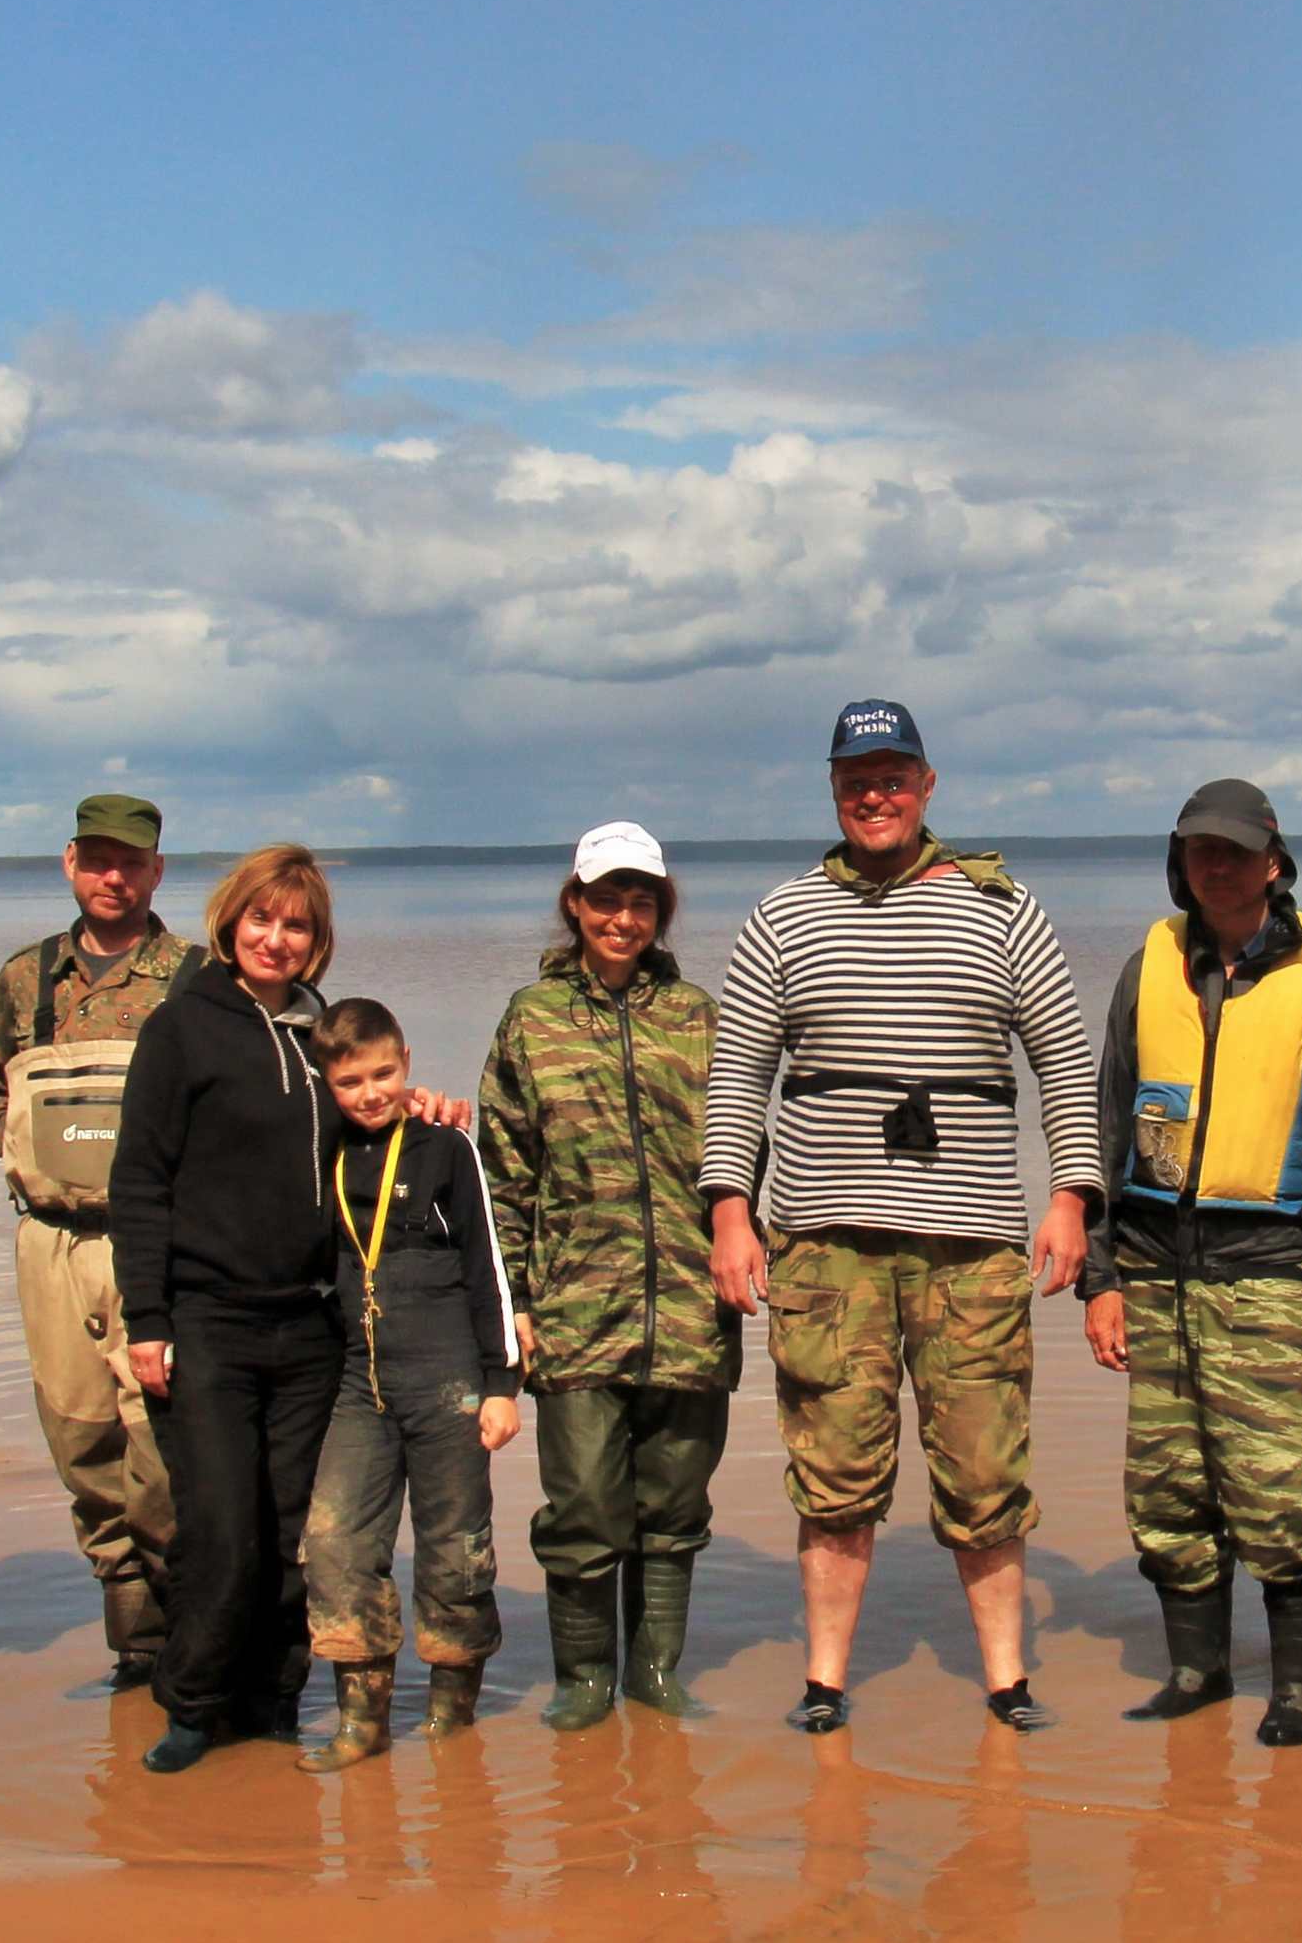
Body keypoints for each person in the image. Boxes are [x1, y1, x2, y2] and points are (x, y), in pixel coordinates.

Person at [704, 699, 1100, 1734]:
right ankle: (825, 1681)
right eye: (854, 780)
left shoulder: (1002, 909)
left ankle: (1008, 1682)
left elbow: (1064, 1061)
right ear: (833, 791)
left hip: (970, 1247)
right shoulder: (781, 915)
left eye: (891, 776)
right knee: (832, 1477)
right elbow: (738, 1075)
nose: (872, 795)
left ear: (926, 785)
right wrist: (729, 1213)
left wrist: (1070, 1197)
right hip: (823, 1246)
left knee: (984, 1472)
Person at [1079, 779, 1302, 1746]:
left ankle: (1298, 1690)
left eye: (1237, 850)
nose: (1218, 864)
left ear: (1274, 861)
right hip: (1156, 1268)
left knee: (1275, 1487)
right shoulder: (1147, 963)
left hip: (1271, 1269)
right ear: (1180, 860)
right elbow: (1111, 1121)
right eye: (1201, 848)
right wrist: (1102, 1278)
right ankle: (1196, 1673)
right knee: (1166, 1489)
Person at [477, 821, 742, 1731]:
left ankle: (655, 1674)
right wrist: (511, 1301)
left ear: (661, 910)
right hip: (575, 1311)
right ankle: (584, 1678)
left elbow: (746, 1155)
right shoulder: (530, 1019)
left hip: (691, 1308)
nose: (622, 919)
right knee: (585, 1505)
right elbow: (501, 1174)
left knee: (674, 1505)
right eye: (605, 900)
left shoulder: (704, 1017)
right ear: (574, 905)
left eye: (640, 901)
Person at [108, 845, 354, 1776]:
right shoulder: (182, 1029)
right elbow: (140, 1181)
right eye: (262, 919)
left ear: (316, 940)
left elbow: (365, 1140)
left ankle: (274, 1700)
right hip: (206, 1320)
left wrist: (424, 1110)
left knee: (293, 1529)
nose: (276, 939)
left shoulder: (324, 1031)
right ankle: (194, 1702)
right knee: (219, 1525)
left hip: (310, 1325)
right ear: (229, 922)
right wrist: (146, 1318)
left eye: (296, 925)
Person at [0, 792, 196, 1694]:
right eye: (97, 858)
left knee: (163, 1447)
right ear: (69, 862)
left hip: (159, 1246)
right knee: (82, 1441)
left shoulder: (194, 974)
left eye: (130, 862)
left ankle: (189, 1625)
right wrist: (13, 1138)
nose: (113, 876)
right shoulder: (30, 978)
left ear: (156, 872)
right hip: (52, 1245)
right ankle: (135, 1642)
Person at [295, 997, 524, 1770]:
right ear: (326, 1083)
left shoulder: (444, 1148)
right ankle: (362, 1723)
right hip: (358, 1385)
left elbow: (486, 1268)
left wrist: (502, 1382)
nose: (370, 1093)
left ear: (408, 1062)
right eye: (350, 1080)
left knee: (456, 1550)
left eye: (384, 1073)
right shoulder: (317, 1148)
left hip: (449, 1381)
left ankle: (451, 1722)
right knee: (333, 1542)